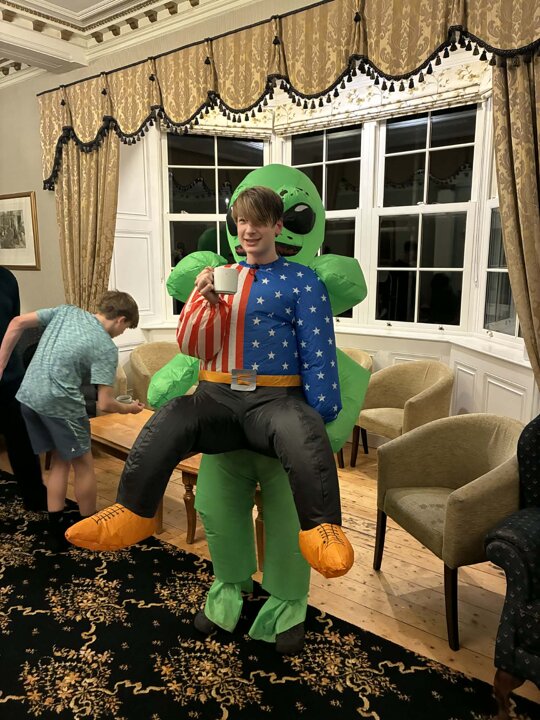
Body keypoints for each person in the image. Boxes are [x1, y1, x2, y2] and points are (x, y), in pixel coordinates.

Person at [67, 187, 354, 579]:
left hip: (276, 400)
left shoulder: (303, 282)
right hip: (217, 397)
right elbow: (193, 347)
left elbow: (318, 349)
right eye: (242, 222)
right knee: (171, 416)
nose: (248, 230)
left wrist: (323, 408)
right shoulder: (219, 278)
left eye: (258, 221)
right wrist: (205, 303)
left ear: (277, 226)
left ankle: (322, 528)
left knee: (304, 431)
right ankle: (133, 510)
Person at [0, 290, 145, 551]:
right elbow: (105, 403)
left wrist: (0, 366)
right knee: (84, 465)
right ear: (121, 319)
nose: (120, 334)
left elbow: (17, 323)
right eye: (125, 329)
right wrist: (130, 409)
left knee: (60, 461)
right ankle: (89, 529)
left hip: (28, 397)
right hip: (60, 405)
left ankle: (56, 530)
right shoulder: (105, 347)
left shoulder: (66, 311)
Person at [0, 266, 47, 511]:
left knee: (23, 443)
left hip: (12, 379)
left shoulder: (7, 279)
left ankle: (36, 500)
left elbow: (14, 327)